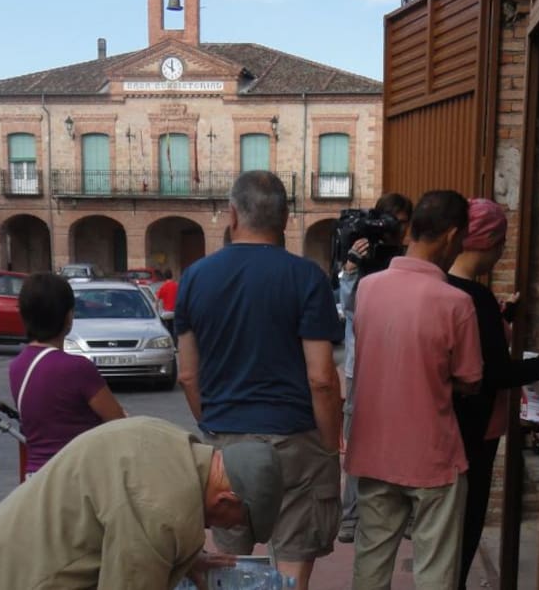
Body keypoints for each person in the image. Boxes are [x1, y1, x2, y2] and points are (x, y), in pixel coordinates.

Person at [175, 171, 344, 589]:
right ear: (285, 218)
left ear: (232, 214)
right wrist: (328, 444)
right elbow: (321, 377)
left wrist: (212, 423)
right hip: (297, 439)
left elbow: (187, 374)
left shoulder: (195, 277)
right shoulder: (307, 278)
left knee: (228, 563)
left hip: (226, 441)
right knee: (292, 566)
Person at [0, 417, 284, 590]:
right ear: (227, 498)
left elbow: (129, 507)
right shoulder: (164, 513)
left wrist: (186, 559)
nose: (226, 528)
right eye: (236, 521)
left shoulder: (169, 441)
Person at [346, 190, 483, 589]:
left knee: (370, 566)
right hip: (433, 456)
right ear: (451, 235)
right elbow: (470, 380)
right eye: (461, 240)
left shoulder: (368, 288)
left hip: (374, 450)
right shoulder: (456, 303)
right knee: (435, 571)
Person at [447, 198, 539, 589]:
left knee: (443, 528)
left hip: (445, 424)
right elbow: (496, 373)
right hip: (475, 429)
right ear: (489, 244)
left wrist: (501, 319)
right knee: (467, 524)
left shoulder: (442, 287)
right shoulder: (478, 299)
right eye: (502, 242)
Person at [336, 192, 413, 544]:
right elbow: (352, 309)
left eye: (399, 222)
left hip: (402, 364)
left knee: (405, 436)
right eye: (390, 221)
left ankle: (404, 514)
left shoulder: (412, 259)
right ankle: (350, 517)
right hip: (361, 367)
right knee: (357, 442)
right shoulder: (360, 259)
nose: (393, 230)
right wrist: (350, 270)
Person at [9, 272, 125, 475]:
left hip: (36, 475)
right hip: (74, 475)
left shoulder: (16, 366)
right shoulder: (77, 368)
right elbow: (118, 420)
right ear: (68, 316)